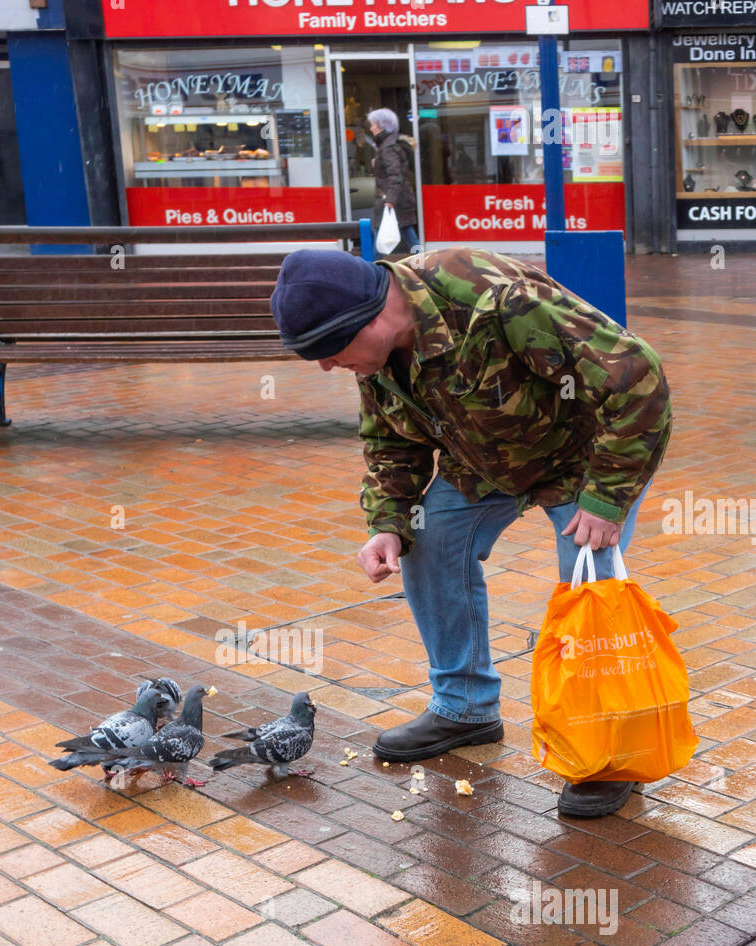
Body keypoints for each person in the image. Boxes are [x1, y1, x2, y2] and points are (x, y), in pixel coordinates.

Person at [270, 246, 672, 819]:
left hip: (583, 459)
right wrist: (388, 523)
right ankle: (464, 708)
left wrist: (607, 499)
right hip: (484, 462)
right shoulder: (377, 354)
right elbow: (391, 439)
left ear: (371, 318)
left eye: (329, 352)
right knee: (424, 541)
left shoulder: (498, 301)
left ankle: (607, 755)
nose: (326, 367)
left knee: (592, 587)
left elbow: (639, 378)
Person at [367, 108, 419, 254]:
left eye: (373, 125)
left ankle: (373, 270)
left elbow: (395, 175)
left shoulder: (388, 148)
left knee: (381, 241)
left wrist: (390, 200)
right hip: (399, 199)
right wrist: (376, 164)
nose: (371, 128)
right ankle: (422, 262)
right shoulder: (389, 144)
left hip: (393, 200)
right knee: (409, 235)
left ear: (382, 126)